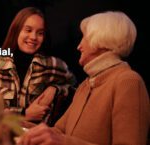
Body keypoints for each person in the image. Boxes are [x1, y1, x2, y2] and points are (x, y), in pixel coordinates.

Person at [18, 11, 150, 145]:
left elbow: (61, 140)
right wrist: (13, 124)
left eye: (84, 37)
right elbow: (57, 132)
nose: (79, 46)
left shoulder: (128, 81)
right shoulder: (85, 85)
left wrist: (63, 142)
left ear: (101, 40)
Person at [0, 7, 76, 124]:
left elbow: (75, 88)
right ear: (16, 31)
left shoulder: (53, 65)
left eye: (40, 33)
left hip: (35, 138)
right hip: (0, 135)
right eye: (28, 30)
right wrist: (24, 114)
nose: (33, 37)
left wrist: (56, 89)